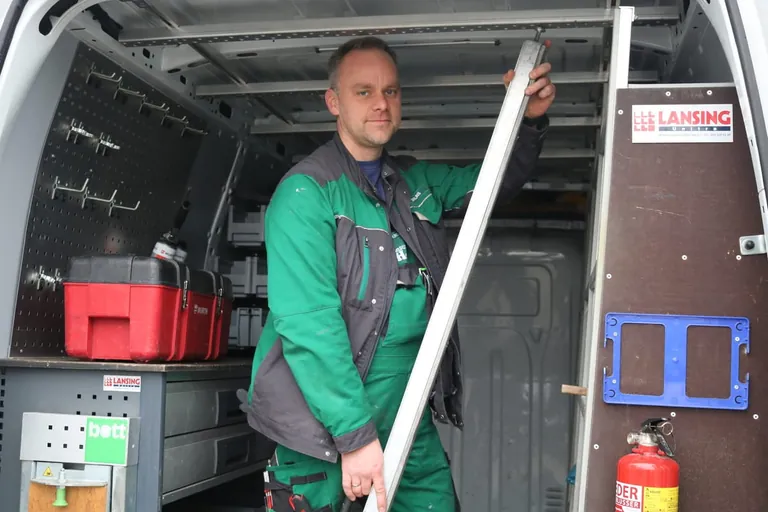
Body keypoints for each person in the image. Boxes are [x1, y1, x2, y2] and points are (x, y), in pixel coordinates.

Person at [237, 35, 555, 512]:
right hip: (322, 418)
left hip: (405, 407)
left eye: (390, 91)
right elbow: (309, 326)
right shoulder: (307, 193)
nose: (381, 104)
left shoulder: (414, 183)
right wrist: (355, 437)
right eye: (363, 91)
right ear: (334, 102)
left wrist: (526, 122)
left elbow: (493, 183)